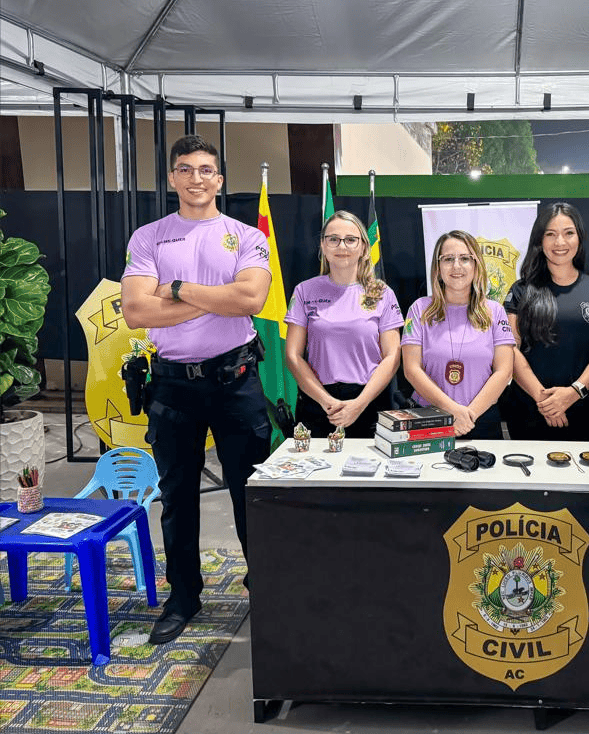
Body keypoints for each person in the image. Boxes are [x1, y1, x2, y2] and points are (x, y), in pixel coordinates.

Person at [121, 134, 272, 644]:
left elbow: (250, 299)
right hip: (172, 386)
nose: (196, 178)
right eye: (185, 169)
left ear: (220, 179)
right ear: (172, 178)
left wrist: (178, 289)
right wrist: (216, 299)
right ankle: (183, 597)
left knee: (251, 493)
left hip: (236, 382)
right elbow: (136, 310)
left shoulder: (245, 236)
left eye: (206, 169)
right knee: (177, 497)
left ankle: (265, 586)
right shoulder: (149, 237)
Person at [284, 210, 403, 438]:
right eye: (333, 239)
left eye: (350, 240)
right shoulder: (304, 291)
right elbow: (293, 356)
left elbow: (392, 357)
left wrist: (359, 404)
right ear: (323, 245)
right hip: (318, 405)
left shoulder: (381, 293)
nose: (342, 246)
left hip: (369, 404)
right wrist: (327, 402)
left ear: (364, 248)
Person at [502, 203, 589, 440]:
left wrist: (573, 393)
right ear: (539, 240)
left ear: (579, 237)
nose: (560, 242)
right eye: (551, 234)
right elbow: (509, 349)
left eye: (569, 233)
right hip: (530, 411)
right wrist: (543, 399)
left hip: (585, 410)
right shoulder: (520, 290)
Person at [401, 230, 515, 439]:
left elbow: (504, 371)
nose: (456, 266)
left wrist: (468, 416)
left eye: (465, 258)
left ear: (476, 265)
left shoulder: (495, 311)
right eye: (448, 259)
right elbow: (411, 369)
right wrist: (453, 411)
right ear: (438, 267)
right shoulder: (418, 309)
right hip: (429, 418)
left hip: (481, 419)